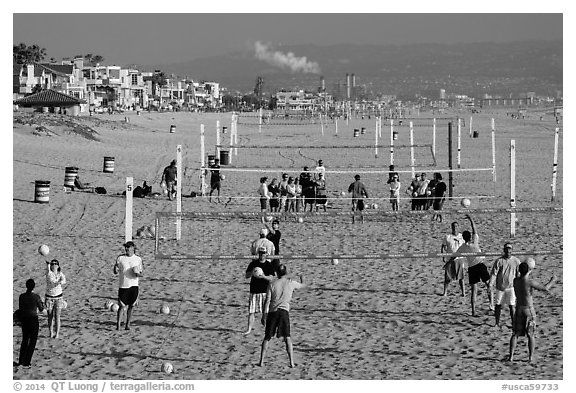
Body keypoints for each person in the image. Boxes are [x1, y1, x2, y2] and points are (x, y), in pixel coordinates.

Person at [258, 264, 306, 368]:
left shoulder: (272, 283)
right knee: (287, 337)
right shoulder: (290, 283)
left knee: (267, 337)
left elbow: (267, 301)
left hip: (273, 312)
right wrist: (302, 277)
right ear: (285, 273)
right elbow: (303, 285)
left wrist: (263, 315)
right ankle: (291, 362)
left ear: (276, 273)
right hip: (284, 312)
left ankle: (261, 361)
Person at [508, 262, 556, 362]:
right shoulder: (529, 282)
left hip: (518, 309)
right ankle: (530, 357)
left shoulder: (515, 280)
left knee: (515, 334)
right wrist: (553, 280)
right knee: (531, 335)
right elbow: (545, 288)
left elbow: (520, 275)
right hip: (528, 309)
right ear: (529, 270)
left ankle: (511, 357)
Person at [455, 214, 493, 316]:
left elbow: (454, 256)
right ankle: (492, 305)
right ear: (470, 236)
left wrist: (448, 263)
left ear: (463, 238)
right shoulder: (475, 241)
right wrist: (471, 219)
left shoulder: (463, 247)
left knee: (474, 290)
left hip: (472, 268)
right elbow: (474, 229)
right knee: (489, 285)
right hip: (480, 265)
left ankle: (473, 311)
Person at [244, 247, 276, 335]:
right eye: (261, 253)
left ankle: (267, 329)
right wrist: (253, 273)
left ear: (266, 254)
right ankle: (249, 329)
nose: (262, 255)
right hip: (254, 291)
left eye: (263, 253)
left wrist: (263, 276)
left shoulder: (269, 265)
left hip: (264, 292)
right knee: (251, 311)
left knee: (265, 312)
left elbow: (272, 278)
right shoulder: (253, 264)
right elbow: (246, 275)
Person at [113, 241, 143, 331]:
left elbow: (140, 273)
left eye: (128, 247)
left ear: (133, 248)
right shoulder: (120, 258)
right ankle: (118, 325)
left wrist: (137, 274)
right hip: (123, 285)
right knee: (121, 306)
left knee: (131, 306)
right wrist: (115, 269)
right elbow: (115, 271)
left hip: (134, 285)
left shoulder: (138, 259)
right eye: (125, 247)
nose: (126, 249)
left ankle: (127, 324)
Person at [490, 243, 521, 328]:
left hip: (511, 287)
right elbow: (494, 273)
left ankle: (514, 323)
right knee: (498, 305)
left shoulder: (516, 261)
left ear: (512, 250)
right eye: (506, 249)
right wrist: (490, 284)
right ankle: (497, 323)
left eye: (510, 249)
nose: (508, 251)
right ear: (504, 250)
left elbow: (519, 274)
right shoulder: (499, 261)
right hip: (500, 287)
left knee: (512, 306)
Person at [17, 279, 44, 369]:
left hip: (24, 319)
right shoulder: (36, 297)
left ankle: (21, 360)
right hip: (33, 319)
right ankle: (27, 362)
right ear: (34, 286)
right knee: (32, 341)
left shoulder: (22, 296)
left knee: (25, 340)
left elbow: (21, 308)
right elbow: (41, 309)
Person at [441, 221, 465, 297]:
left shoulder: (461, 236)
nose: (455, 228)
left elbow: (465, 246)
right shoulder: (447, 236)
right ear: (451, 227)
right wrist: (443, 255)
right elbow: (443, 246)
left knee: (461, 277)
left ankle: (463, 292)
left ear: (458, 227)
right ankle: (445, 292)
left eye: (456, 226)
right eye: (453, 226)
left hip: (459, 259)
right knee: (447, 277)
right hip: (449, 259)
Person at [45, 258, 66, 339]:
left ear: (58, 266)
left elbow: (64, 280)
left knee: (57, 316)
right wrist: (47, 265)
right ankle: (51, 332)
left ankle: (57, 333)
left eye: (55, 264)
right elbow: (51, 279)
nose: (54, 265)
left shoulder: (60, 274)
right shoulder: (49, 273)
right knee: (50, 316)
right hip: (49, 297)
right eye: (52, 264)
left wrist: (61, 281)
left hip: (58, 297)